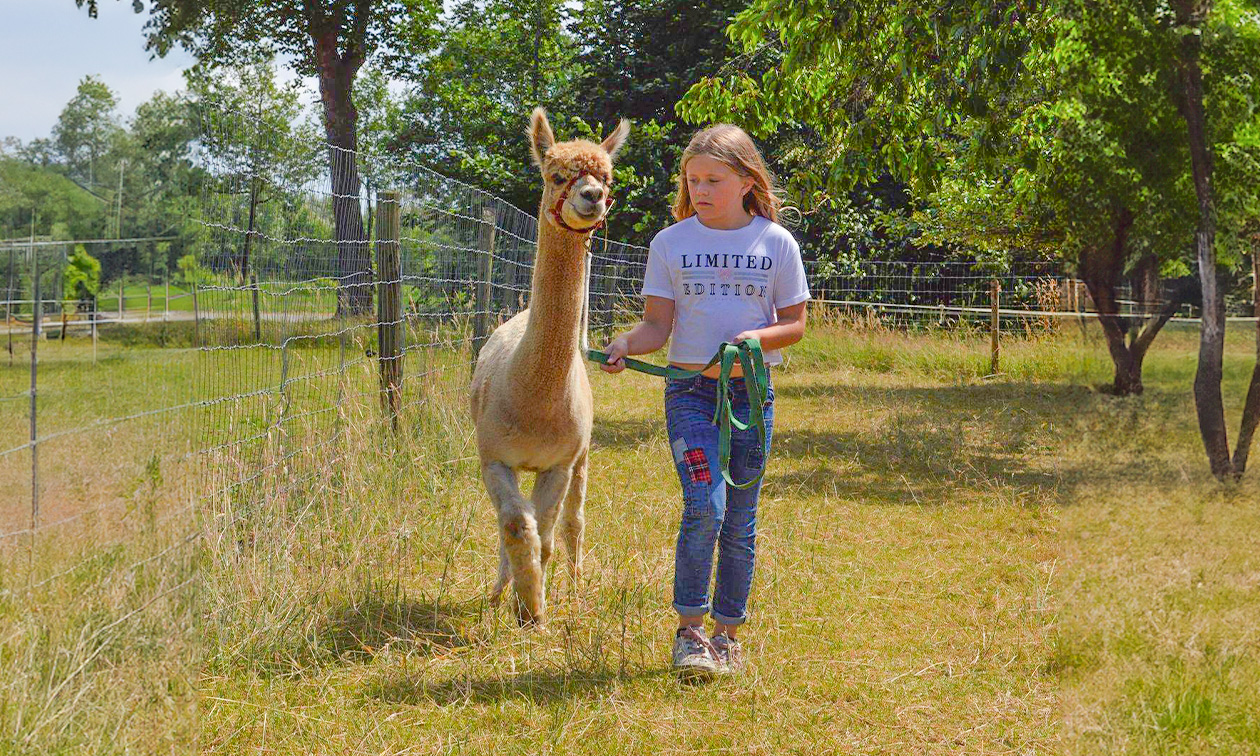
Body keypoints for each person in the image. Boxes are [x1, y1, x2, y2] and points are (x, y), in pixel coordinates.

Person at [599, 124, 810, 679]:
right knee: (704, 505)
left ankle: (727, 635)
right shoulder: (670, 243)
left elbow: (794, 325)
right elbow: (656, 326)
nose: (700, 190)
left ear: (746, 181)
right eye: (693, 180)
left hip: (750, 396)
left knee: (739, 518)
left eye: (713, 180)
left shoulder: (776, 244)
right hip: (689, 393)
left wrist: (753, 339)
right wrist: (625, 344)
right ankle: (690, 633)